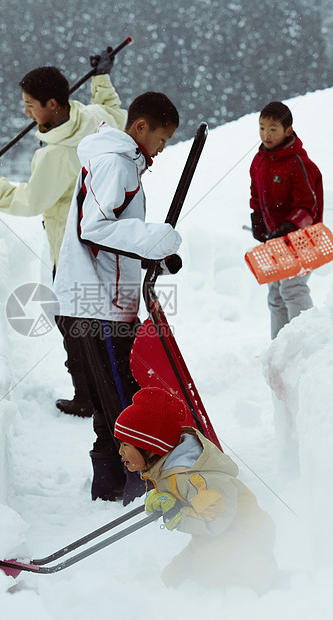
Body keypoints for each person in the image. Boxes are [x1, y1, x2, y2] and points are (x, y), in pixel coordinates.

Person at [0, 50, 127, 418]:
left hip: (71, 249)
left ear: (53, 104)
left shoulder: (57, 156)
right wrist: (102, 78)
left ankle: (89, 397)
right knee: (92, 322)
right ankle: (104, 389)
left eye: (31, 105)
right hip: (104, 242)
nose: (26, 113)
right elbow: (115, 112)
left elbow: (30, 201)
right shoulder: (92, 118)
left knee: (72, 323)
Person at [53, 92, 183, 505]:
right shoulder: (116, 163)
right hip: (99, 307)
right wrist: (152, 239)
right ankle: (129, 487)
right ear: (140, 127)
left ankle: (109, 485)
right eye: (161, 140)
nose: (161, 151)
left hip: (106, 300)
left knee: (115, 397)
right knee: (120, 400)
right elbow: (95, 227)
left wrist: (149, 254)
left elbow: (114, 236)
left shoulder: (120, 162)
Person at [115, 387, 277, 592]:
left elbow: (216, 520)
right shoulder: (167, 468)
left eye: (125, 444)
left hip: (245, 533)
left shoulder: (193, 477)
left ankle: (270, 583)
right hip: (214, 537)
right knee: (172, 578)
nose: (120, 452)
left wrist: (176, 516)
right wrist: (165, 497)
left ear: (149, 446)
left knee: (205, 568)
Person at [249, 101, 323, 339]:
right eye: (261, 128)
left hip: (302, 240)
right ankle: (280, 347)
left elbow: (307, 205)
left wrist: (289, 227)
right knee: (276, 294)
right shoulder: (259, 161)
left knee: (292, 288)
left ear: (288, 131)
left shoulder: (298, 163)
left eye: (273, 129)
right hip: (276, 242)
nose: (265, 135)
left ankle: (307, 342)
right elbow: (255, 194)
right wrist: (258, 218)